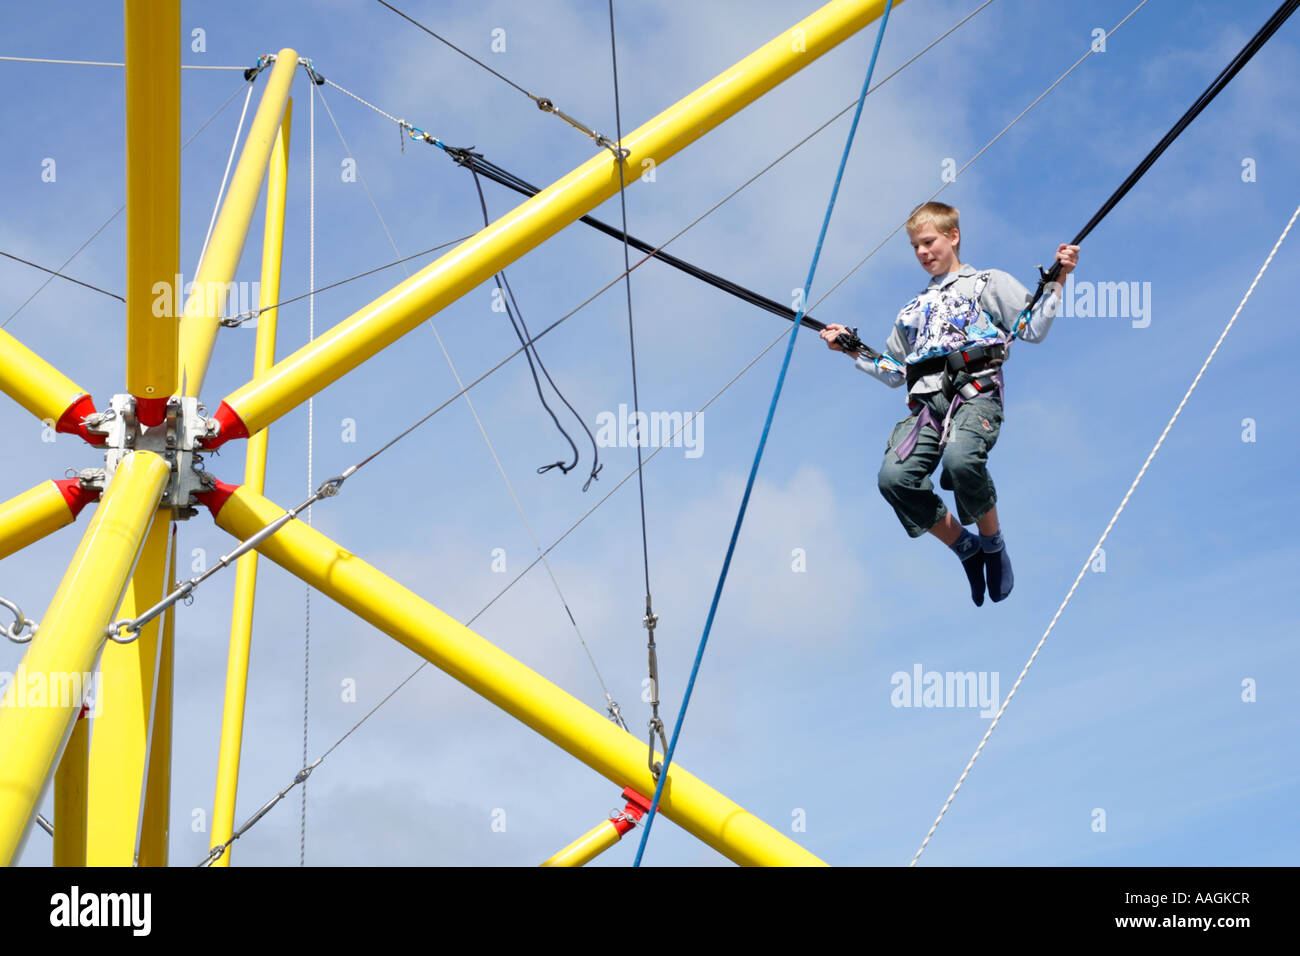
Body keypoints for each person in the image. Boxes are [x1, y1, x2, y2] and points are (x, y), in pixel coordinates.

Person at [820, 201, 1079, 606]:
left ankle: (993, 544)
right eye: (914, 247)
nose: (922, 253)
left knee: (961, 461)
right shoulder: (911, 311)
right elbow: (892, 370)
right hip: (927, 407)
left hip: (974, 393)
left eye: (928, 242)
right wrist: (850, 348)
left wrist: (1060, 277)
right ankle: (966, 548)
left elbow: (1032, 327)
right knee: (894, 479)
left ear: (952, 236)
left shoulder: (987, 283)